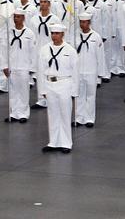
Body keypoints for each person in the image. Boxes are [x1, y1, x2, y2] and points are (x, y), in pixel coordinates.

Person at [39, 24, 79, 153]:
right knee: (53, 114)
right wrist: (42, 90)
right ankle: (54, 142)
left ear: (62, 34)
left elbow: (75, 71)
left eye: (57, 33)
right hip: (50, 83)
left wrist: (74, 91)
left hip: (64, 83)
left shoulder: (70, 50)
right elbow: (41, 70)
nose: (54, 36)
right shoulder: (45, 49)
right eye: (53, 33)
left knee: (65, 113)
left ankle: (66, 143)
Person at [2, 9, 36, 123]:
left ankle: (23, 114)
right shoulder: (9, 33)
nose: (16, 19)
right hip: (12, 66)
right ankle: (14, 113)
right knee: (13, 91)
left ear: (23, 18)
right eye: (15, 17)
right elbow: (4, 50)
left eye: (18, 17)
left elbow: (33, 51)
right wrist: (5, 65)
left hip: (24, 66)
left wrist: (32, 68)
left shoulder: (29, 33)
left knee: (23, 91)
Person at [74, 13, 108, 128]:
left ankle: (89, 118)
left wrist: (101, 73)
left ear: (89, 23)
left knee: (90, 95)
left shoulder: (96, 37)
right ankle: (79, 118)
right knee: (79, 95)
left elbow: (100, 56)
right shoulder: (75, 36)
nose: (82, 24)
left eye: (84, 22)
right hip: (78, 70)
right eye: (81, 22)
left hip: (91, 70)